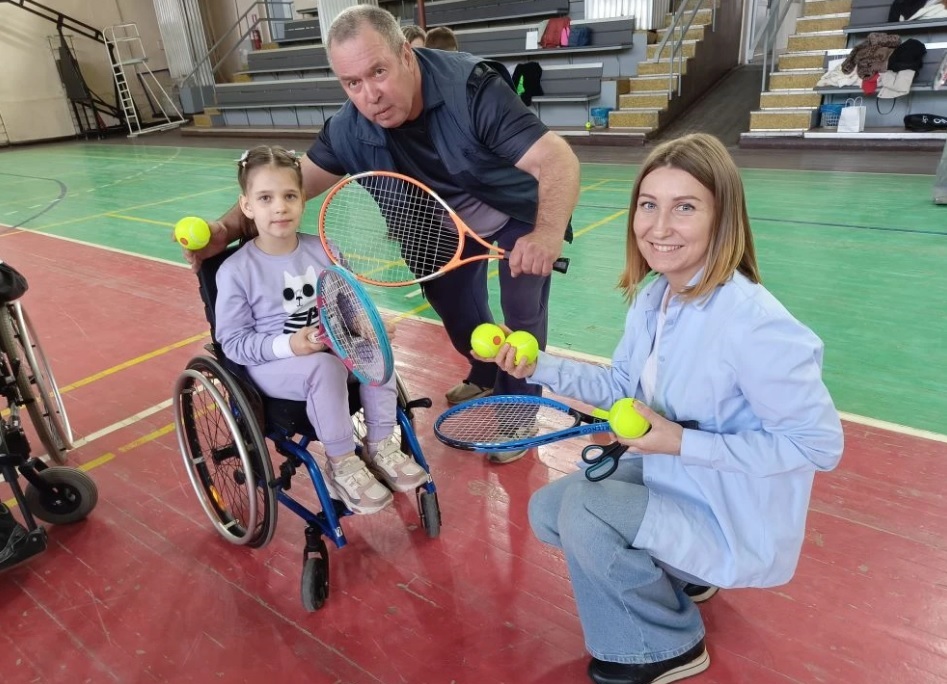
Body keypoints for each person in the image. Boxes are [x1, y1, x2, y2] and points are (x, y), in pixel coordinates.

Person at [476, 133, 845, 683]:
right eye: (649, 205)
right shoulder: (657, 296)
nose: (659, 226)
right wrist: (537, 366)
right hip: (679, 476)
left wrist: (679, 441)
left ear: (722, 219)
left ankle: (664, 645)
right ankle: (685, 573)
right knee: (549, 509)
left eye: (685, 207)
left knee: (585, 513)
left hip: (729, 509)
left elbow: (818, 447)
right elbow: (621, 385)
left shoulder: (756, 326)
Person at [189, 5, 581, 465]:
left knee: (522, 313)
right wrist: (224, 228)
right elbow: (290, 183)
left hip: (513, 215)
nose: (370, 95)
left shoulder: (471, 89)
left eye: (378, 72)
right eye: (352, 83)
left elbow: (556, 159)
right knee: (461, 317)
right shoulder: (348, 129)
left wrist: (546, 233)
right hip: (434, 230)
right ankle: (485, 373)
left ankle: (517, 413)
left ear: (406, 56)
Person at [214, 145, 428, 515]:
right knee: (325, 367)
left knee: (376, 351)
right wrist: (290, 345)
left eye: (289, 196)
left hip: (332, 349)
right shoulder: (236, 270)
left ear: (302, 200)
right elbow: (233, 343)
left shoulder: (325, 250)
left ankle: (380, 445)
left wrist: (364, 324)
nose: (279, 207)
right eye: (265, 198)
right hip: (273, 365)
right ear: (247, 206)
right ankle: (341, 463)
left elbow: (349, 304)